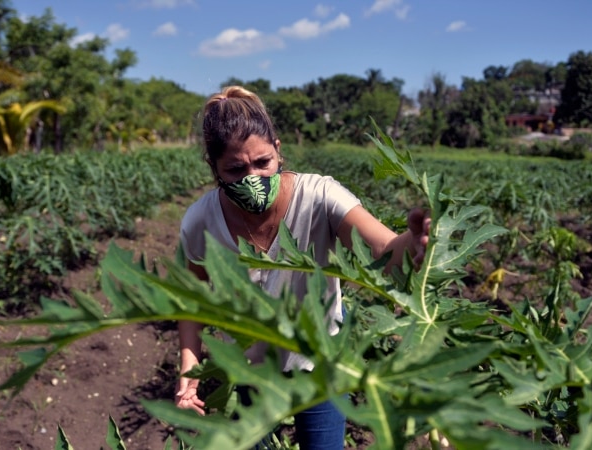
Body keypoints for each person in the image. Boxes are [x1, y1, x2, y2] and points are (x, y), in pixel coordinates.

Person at [175, 85, 430, 449]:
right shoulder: (201, 220)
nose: (252, 178)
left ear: (278, 151)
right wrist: (189, 372)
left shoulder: (320, 196)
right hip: (252, 369)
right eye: (235, 169)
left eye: (263, 163)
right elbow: (192, 301)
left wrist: (413, 245)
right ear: (214, 168)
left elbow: (384, 248)